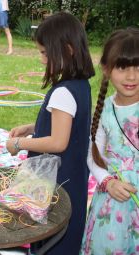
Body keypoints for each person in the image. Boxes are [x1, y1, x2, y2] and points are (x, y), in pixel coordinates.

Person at [6, 12, 95, 255]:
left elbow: (58, 141)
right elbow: (67, 123)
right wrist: (32, 128)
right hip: (73, 177)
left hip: (56, 182)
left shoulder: (63, 92)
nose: (42, 59)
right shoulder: (80, 84)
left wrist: (19, 142)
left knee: (53, 235)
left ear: (67, 50)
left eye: (45, 53)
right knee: (68, 228)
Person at [80, 28, 139, 255]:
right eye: (123, 67)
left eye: (138, 67)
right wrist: (107, 182)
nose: (132, 76)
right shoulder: (105, 110)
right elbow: (93, 155)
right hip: (114, 202)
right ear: (106, 69)